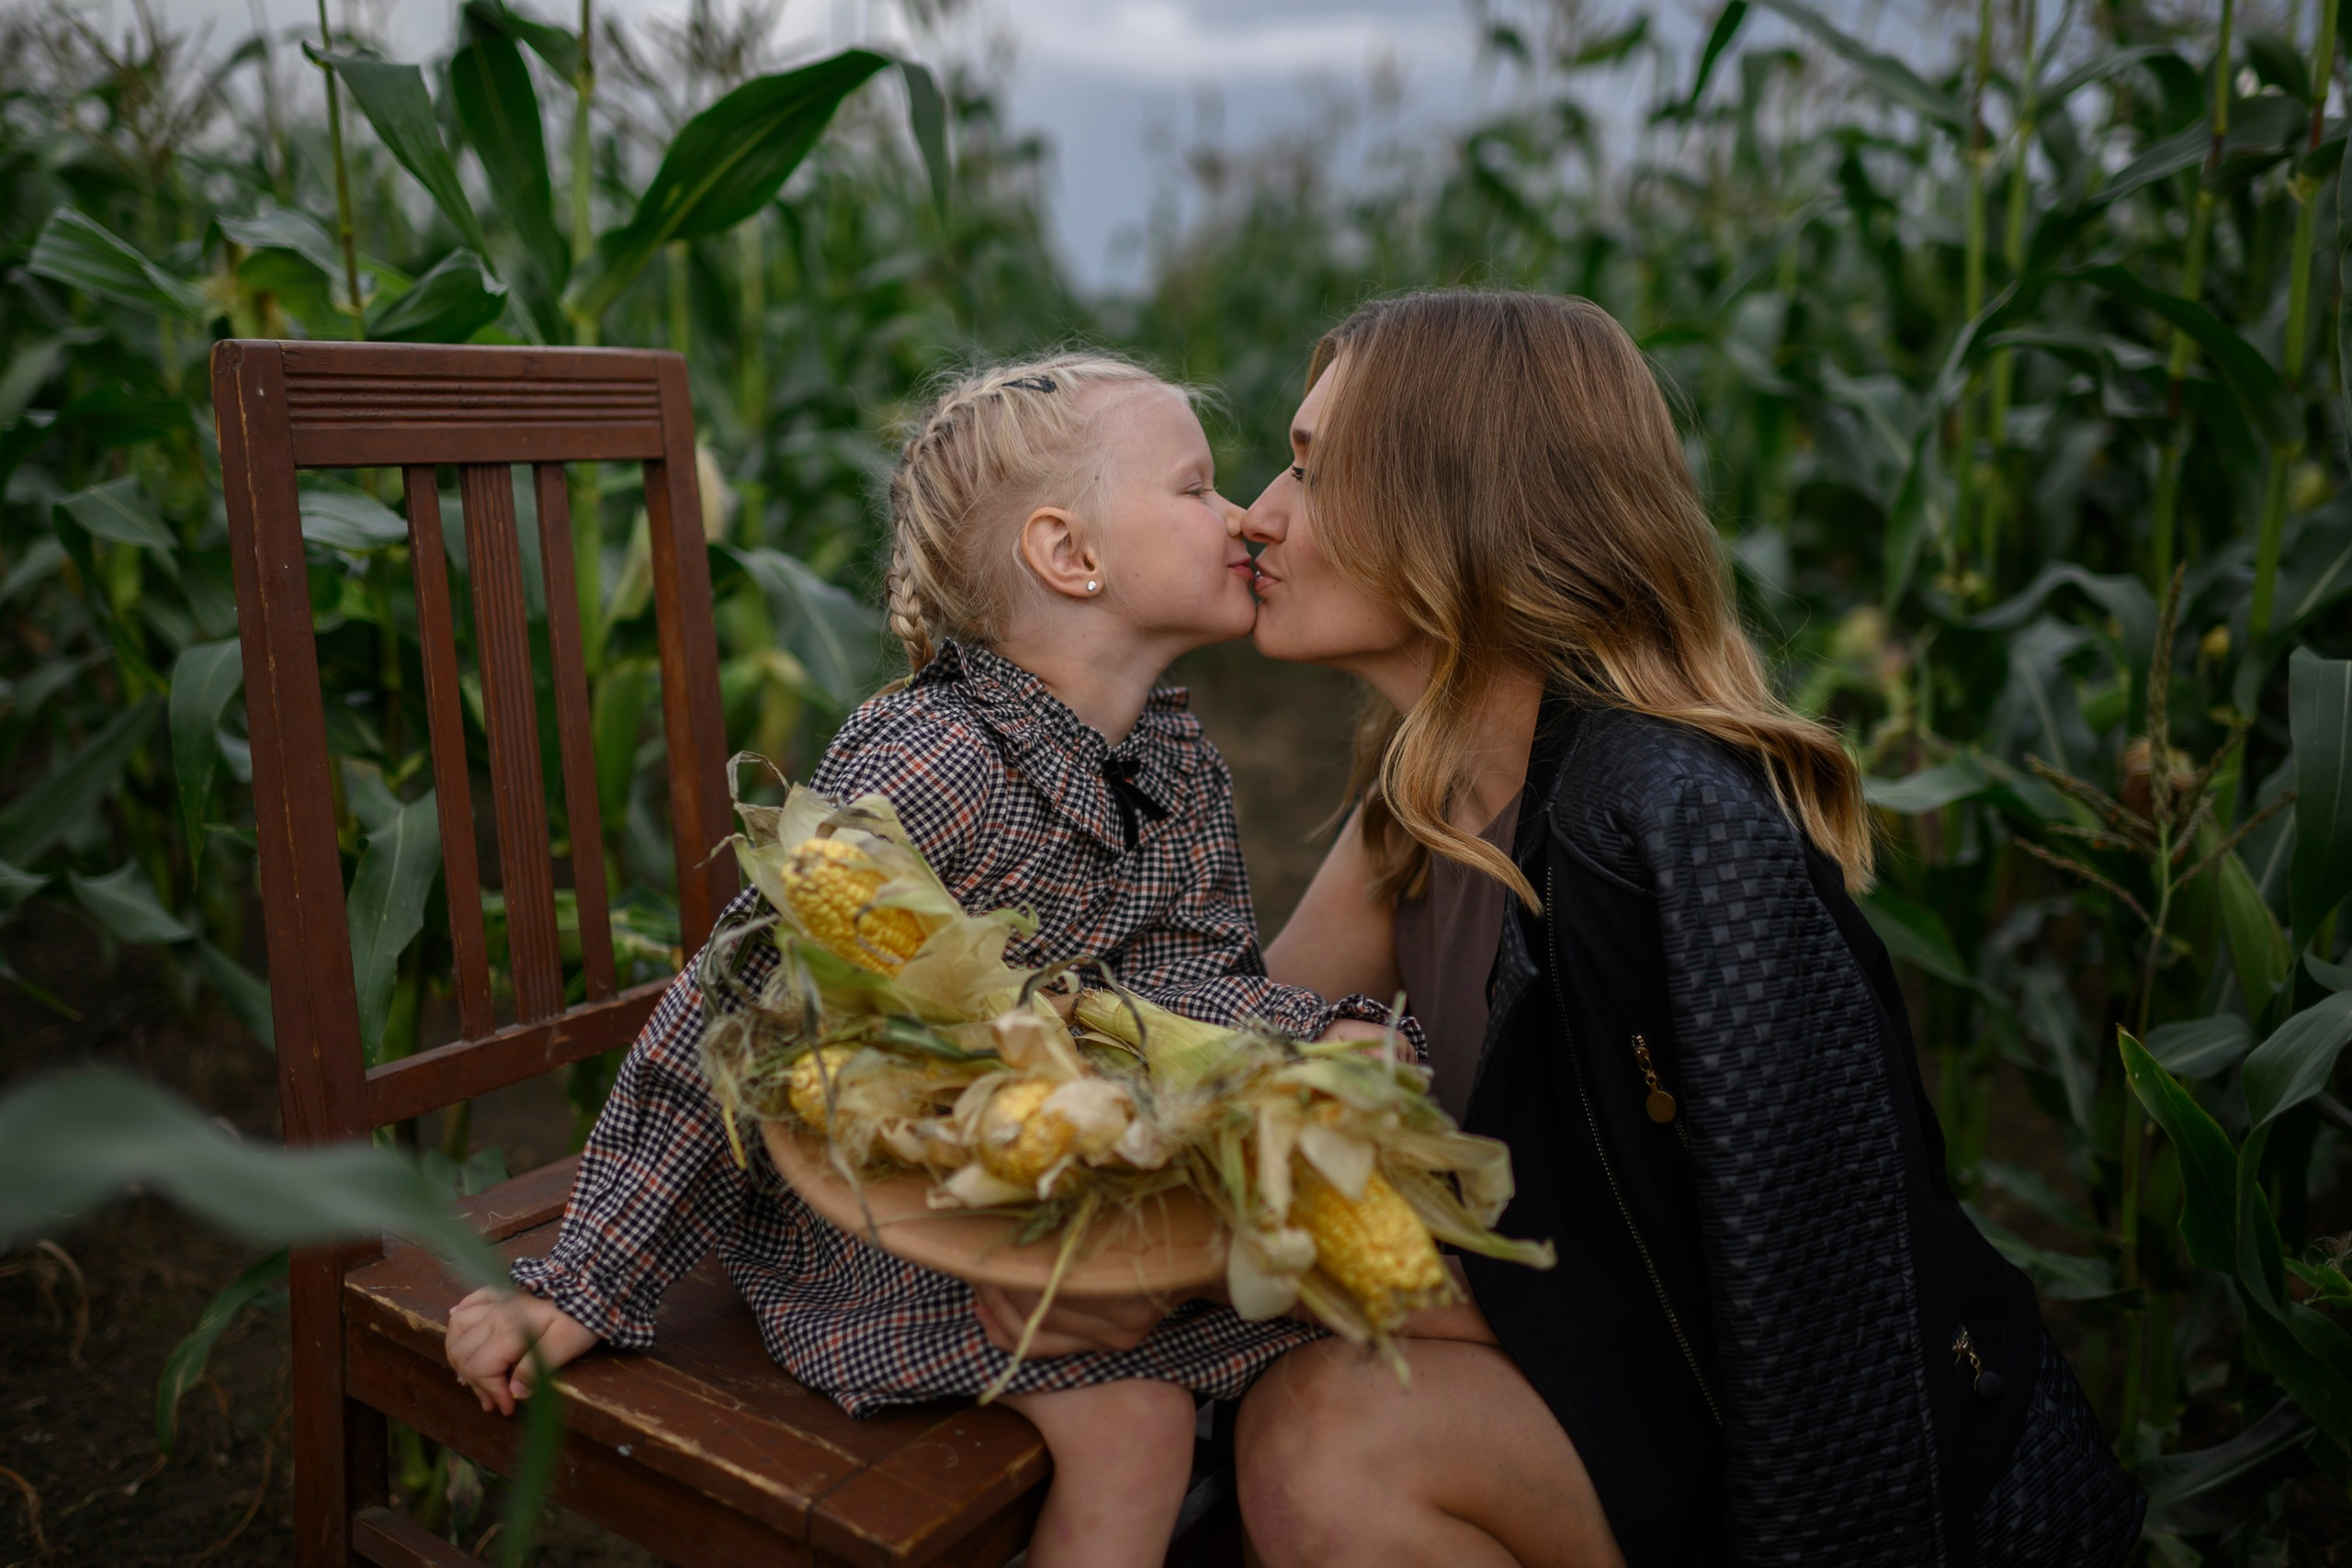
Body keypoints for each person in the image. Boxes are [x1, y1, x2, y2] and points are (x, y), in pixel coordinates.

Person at [442, 353, 1408, 1568]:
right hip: (882, 1216)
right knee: (1138, 1428)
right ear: (1071, 557)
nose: (1244, 517)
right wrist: (586, 1280)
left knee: (1255, 1359)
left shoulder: (1171, 762)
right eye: (1197, 489)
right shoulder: (930, 765)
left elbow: (1184, 984)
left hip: (1030, 1180)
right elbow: (734, 1004)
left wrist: (1302, 1043)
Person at [1230, 289, 2144, 1566]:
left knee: (1323, 1444)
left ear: (1460, 509)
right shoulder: (1424, 796)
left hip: (1779, 1452)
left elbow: (1826, 1309)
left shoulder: (1665, 831)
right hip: (1607, 1360)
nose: (1257, 512)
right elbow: (1235, 1052)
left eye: (1314, 473)